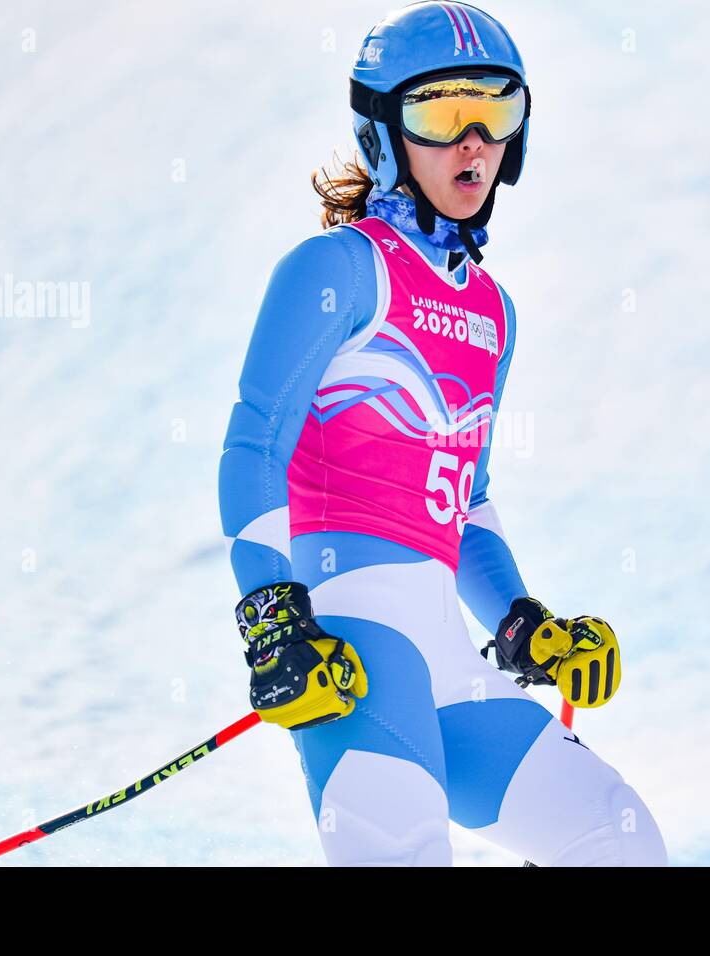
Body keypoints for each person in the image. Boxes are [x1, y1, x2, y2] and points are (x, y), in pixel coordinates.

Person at [218, 1, 667, 866]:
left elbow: (467, 499)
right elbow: (254, 449)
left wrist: (523, 624)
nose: (472, 142)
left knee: (618, 841)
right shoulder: (339, 269)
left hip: (453, 664)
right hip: (349, 649)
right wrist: (272, 617)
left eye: (496, 111)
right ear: (384, 133)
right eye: (439, 113)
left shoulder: (492, 312)